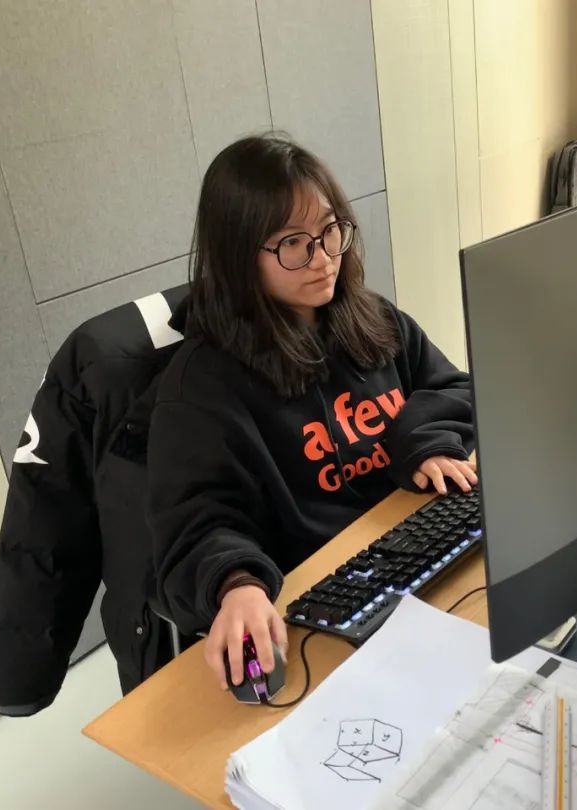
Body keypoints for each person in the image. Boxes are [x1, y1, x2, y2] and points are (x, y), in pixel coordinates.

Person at [149, 135, 475, 690]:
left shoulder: (371, 318)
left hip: (418, 549)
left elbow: (451, 388)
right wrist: (237, 584)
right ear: (238, 254)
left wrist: (427, 442)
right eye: (292, 244)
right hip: (320, 605)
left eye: (330, 231)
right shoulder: (201, 389)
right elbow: (198, 521)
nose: (323, 258)